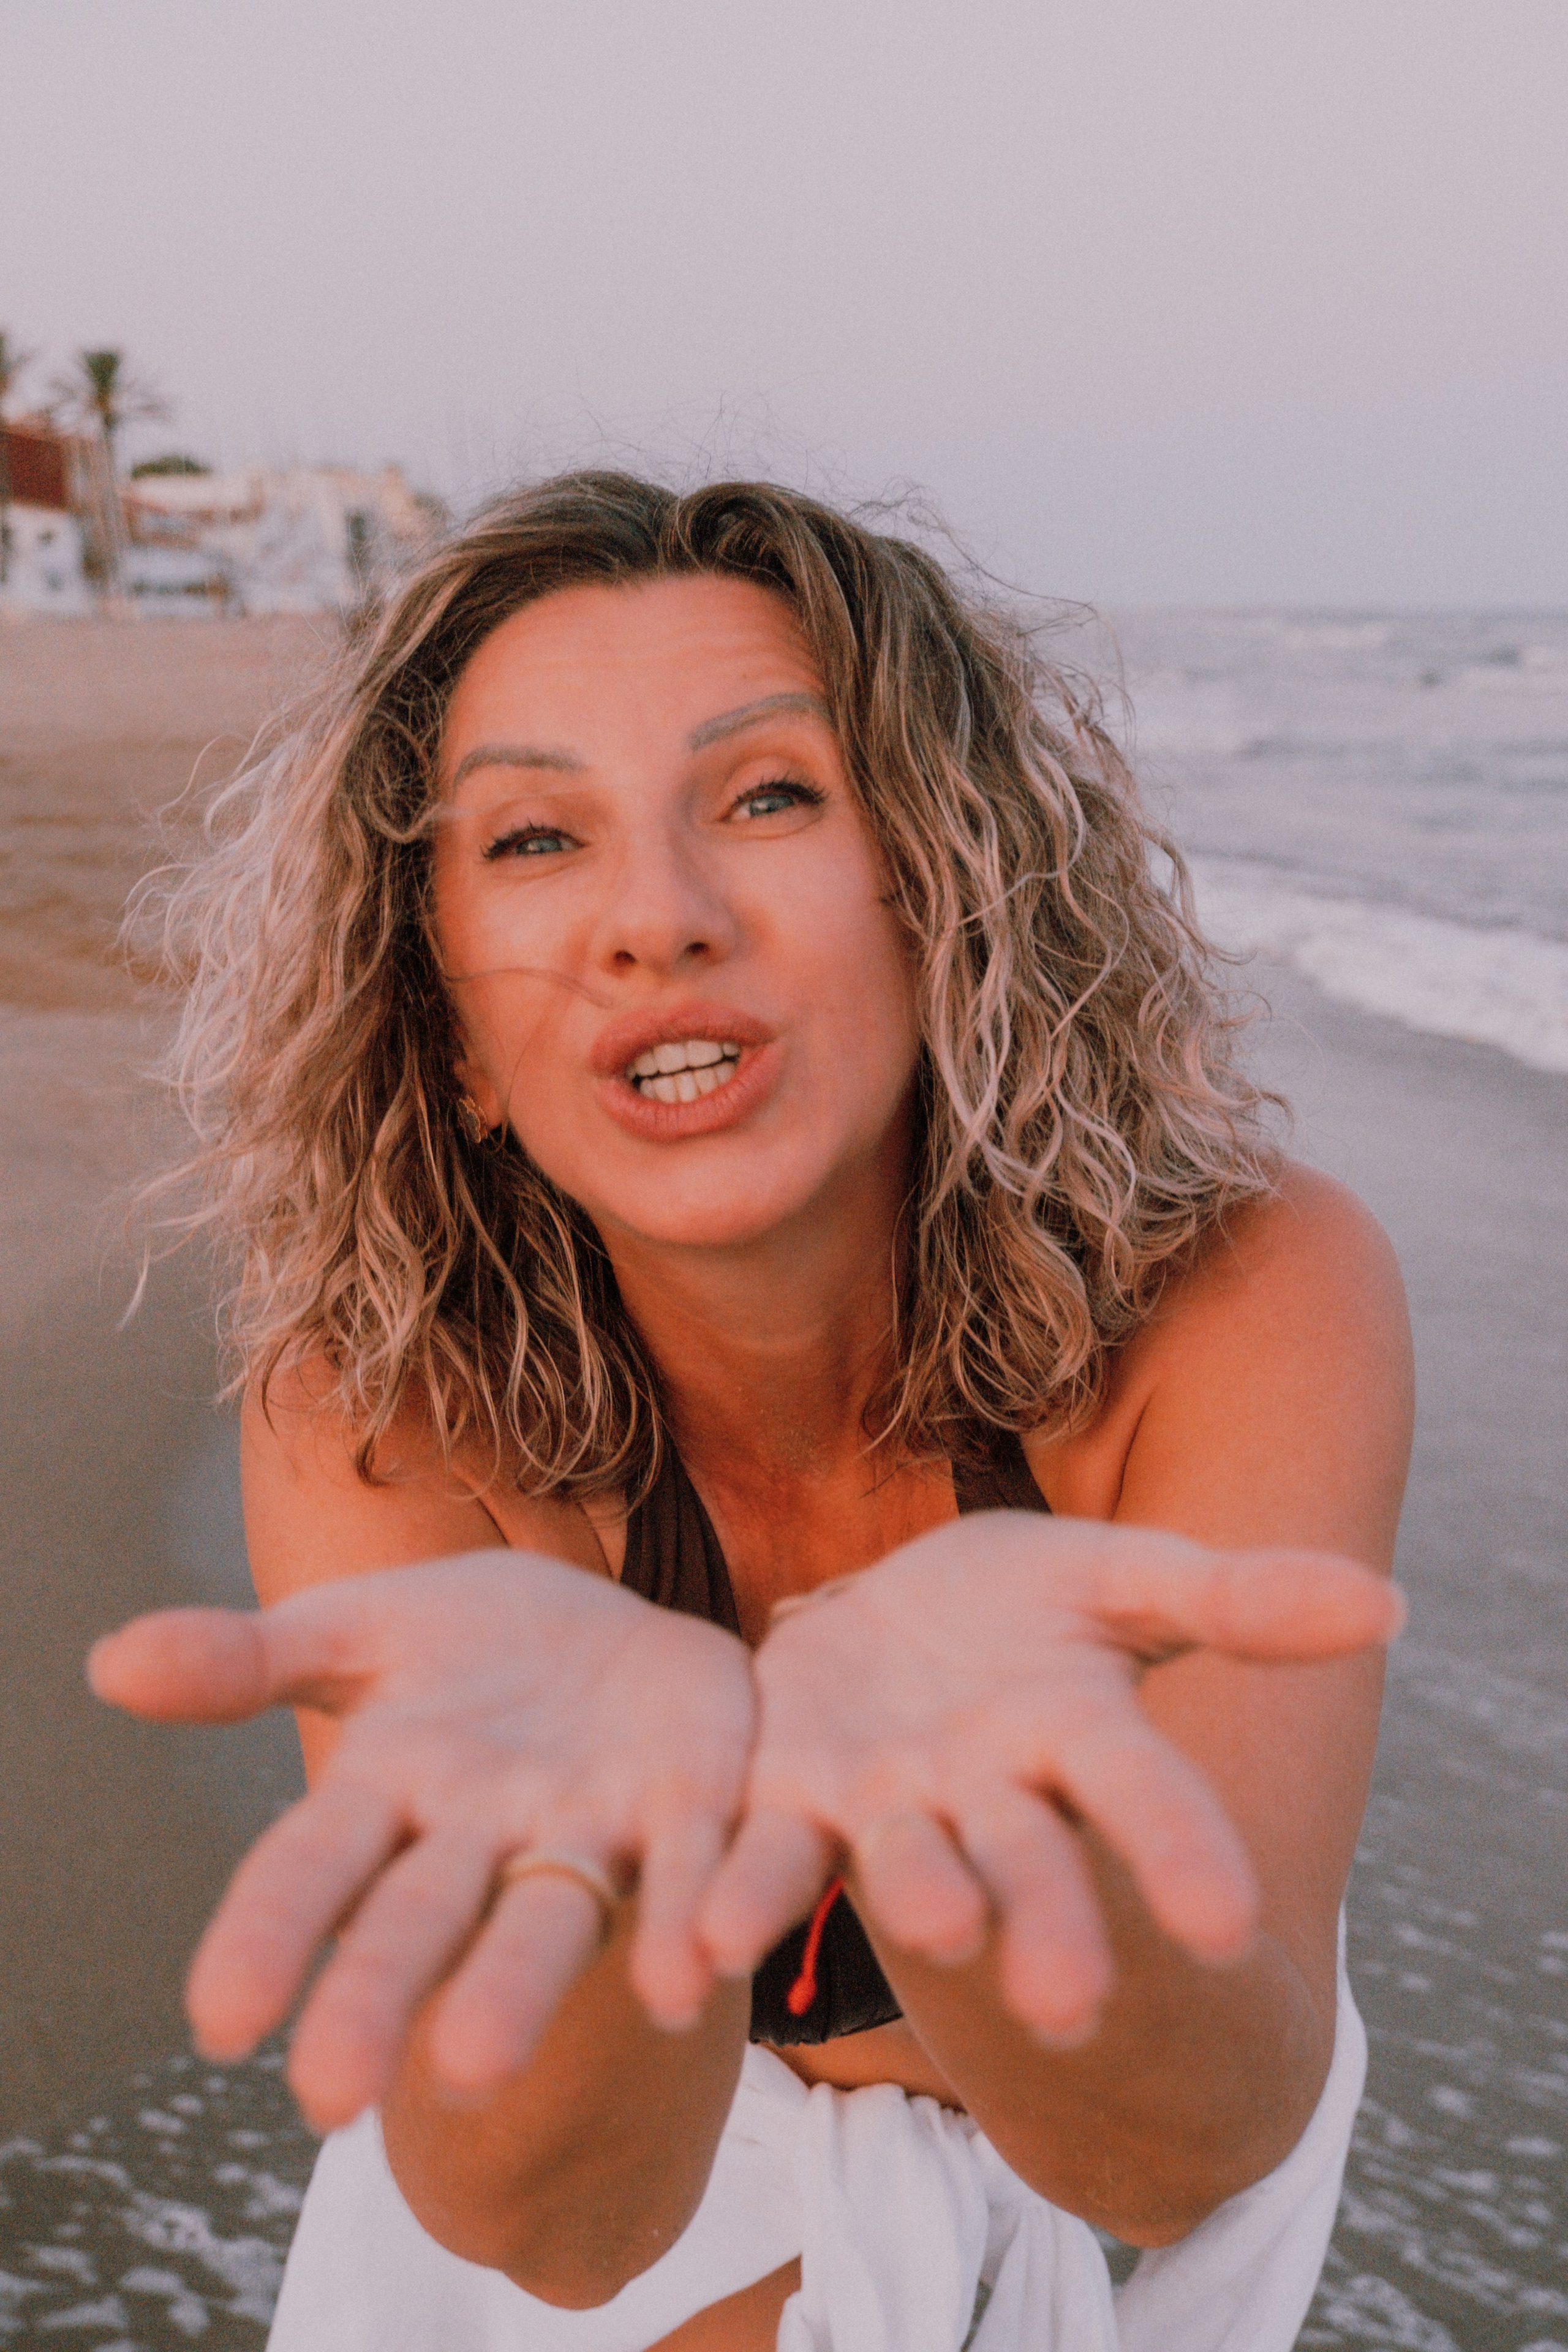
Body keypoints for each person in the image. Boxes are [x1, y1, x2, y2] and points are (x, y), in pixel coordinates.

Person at [92, 472, 1412, 2351]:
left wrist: (920, 1789)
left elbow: (1188, 2151)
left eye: (770, 793)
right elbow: (537, 2225)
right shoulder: (388, 1401)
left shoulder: (1237, 1301)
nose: (658, 916)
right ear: (452, 1026)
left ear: (947, 892)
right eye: (538, 838)